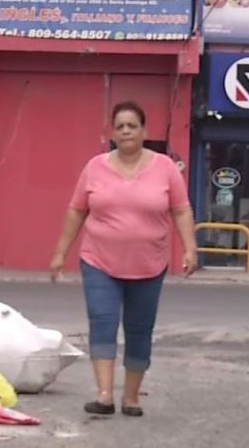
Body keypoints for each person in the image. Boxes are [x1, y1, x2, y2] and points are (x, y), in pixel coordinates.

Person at [49, 101, 198, 418]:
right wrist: (60, 253)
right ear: (112, 133)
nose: (126, 131)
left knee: (139, 328)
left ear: (144, 131)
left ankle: (131, 397)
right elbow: (77, 210)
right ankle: (104, 396)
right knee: (102, 323)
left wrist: (190, 248)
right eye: (120, 126)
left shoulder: (165, 168)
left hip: (149, 264)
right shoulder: (95, 167)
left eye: (132, 125)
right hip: (99, 261)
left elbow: (181, 210)